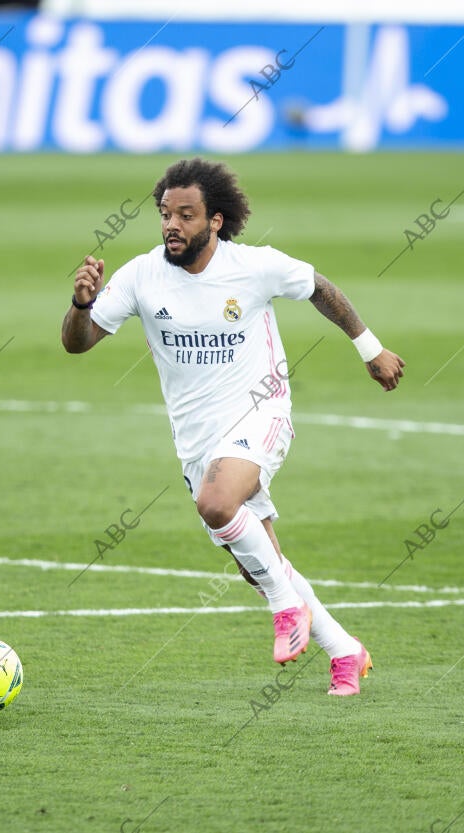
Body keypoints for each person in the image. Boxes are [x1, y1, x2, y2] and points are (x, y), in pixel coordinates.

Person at [61, 158, 405, 696]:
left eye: (186, 215)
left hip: (261, 412)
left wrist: (371, 349)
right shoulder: (141, 276)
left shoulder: (254, 266)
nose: (172, 225)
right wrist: (81, 304)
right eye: (165, 214)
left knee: (218, 504)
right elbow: (77, 343)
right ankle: (345, 651)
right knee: (260, 561)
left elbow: (320, 288)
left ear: (215, 221)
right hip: (197, 442)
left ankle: (285, 608)